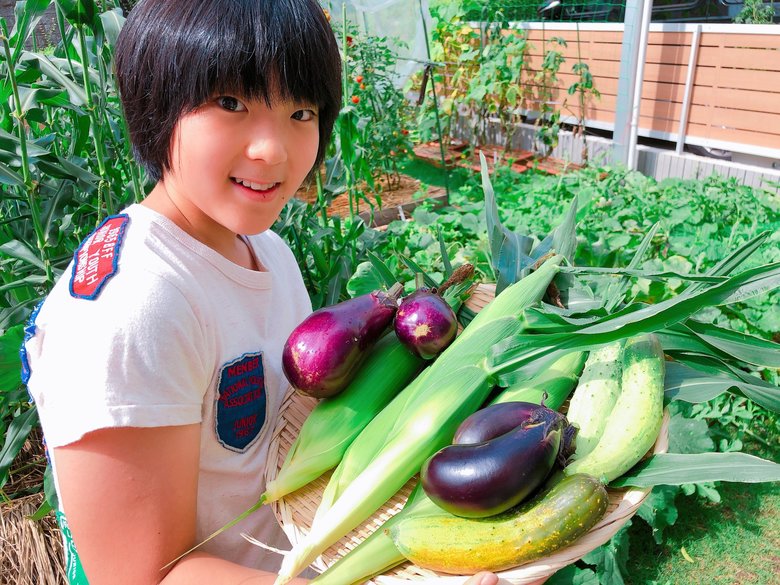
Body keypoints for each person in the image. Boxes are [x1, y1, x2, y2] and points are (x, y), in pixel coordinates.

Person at [21, 1, 499, 584]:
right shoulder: (135, 307)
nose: (273, 150)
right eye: (231, 103)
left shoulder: (265, 248)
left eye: (301, 111)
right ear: (157, 103)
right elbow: (142, 576)